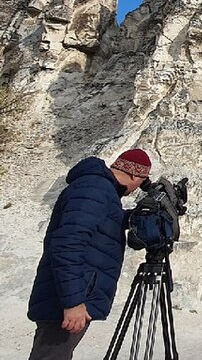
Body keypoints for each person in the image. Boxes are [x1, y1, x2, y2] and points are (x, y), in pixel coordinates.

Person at [26, 149, 152, 360]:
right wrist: (73, 303)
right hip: (68, 298)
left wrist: (138, 216)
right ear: (134, 175)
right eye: (143, 181)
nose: (139, 188)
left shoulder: (101, 191)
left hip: (72, 292)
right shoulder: (95, 190)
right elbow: (67, 244)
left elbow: (104, 225)